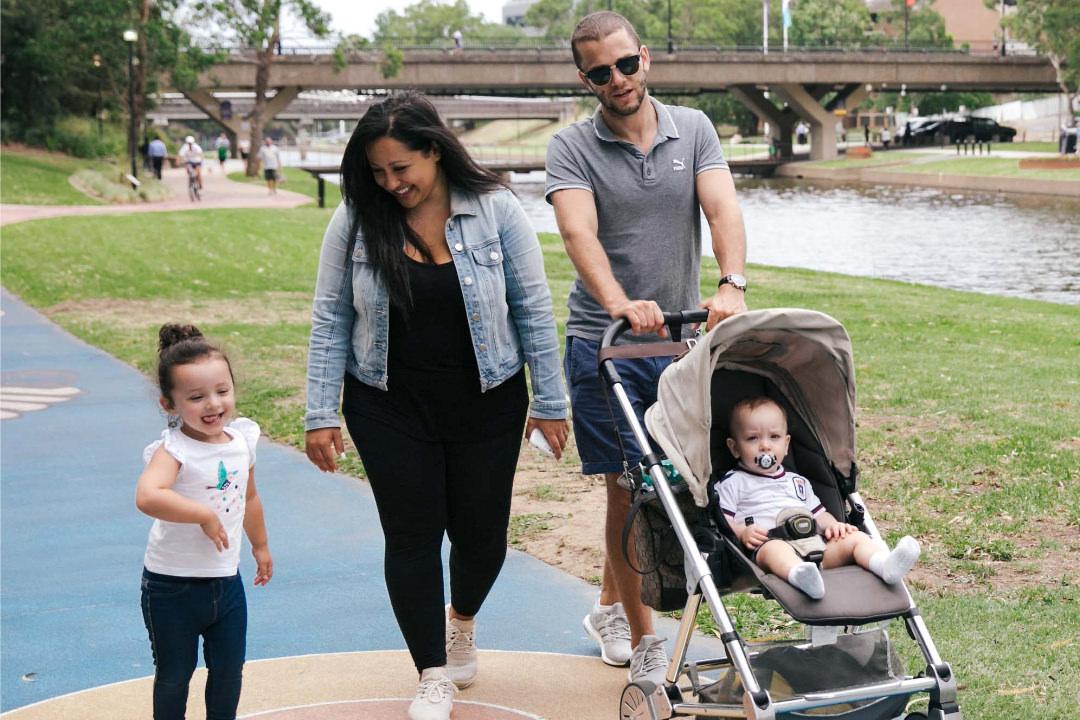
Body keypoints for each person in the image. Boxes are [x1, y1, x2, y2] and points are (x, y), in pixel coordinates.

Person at [304, 92, 568, 720]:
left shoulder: (497, 210)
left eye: (402, 169)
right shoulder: (356, 219)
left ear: (435, 150)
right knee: (412, 536)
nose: (391, 184)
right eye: (377, 172)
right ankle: (431, 671)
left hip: (488, 399)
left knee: (484, 540)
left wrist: (551, 403)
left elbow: (532, 309)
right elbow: (330, 317)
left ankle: (462, 619)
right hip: (386, 403)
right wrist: (320, 412)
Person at [545, 10, 747, 685]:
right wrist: (617, 303)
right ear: (585, 79)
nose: (617, 80)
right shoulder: (571, 148)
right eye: (600, 73)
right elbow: (580, 235)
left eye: (626, 64)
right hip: (606, 344)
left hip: (682, 338)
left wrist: (732, 283)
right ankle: (644, 640)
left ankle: (608, 603)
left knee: (669, 484)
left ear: (646, 59)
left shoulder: (694, 129)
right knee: (628, 489)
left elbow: (721, 210)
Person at [135, 323, 273, 720]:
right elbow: (148, 496)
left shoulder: (241, 440)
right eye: (196, 397)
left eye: (222, 392)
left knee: (229, 671)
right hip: (171, 586)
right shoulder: (175, 449)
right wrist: (202, 514)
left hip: (226, 583)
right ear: (169, 404)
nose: (212, 404)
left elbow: (249, 496)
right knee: (175, 675)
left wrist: (260, 546)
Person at [710, 397, 920, 599]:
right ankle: (799, 576)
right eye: (752, 438)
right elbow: (721, 518)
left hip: (815, 546)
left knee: (855, 539)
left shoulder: (797, 482)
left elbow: (819, 514)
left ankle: (885, 564)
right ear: (734, 447)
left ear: (786, 444)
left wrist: (835, 526)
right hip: (768, 549)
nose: (765, 446)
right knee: (776, 549)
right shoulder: (733, 482)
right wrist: (741, 531)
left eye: (774, 437)